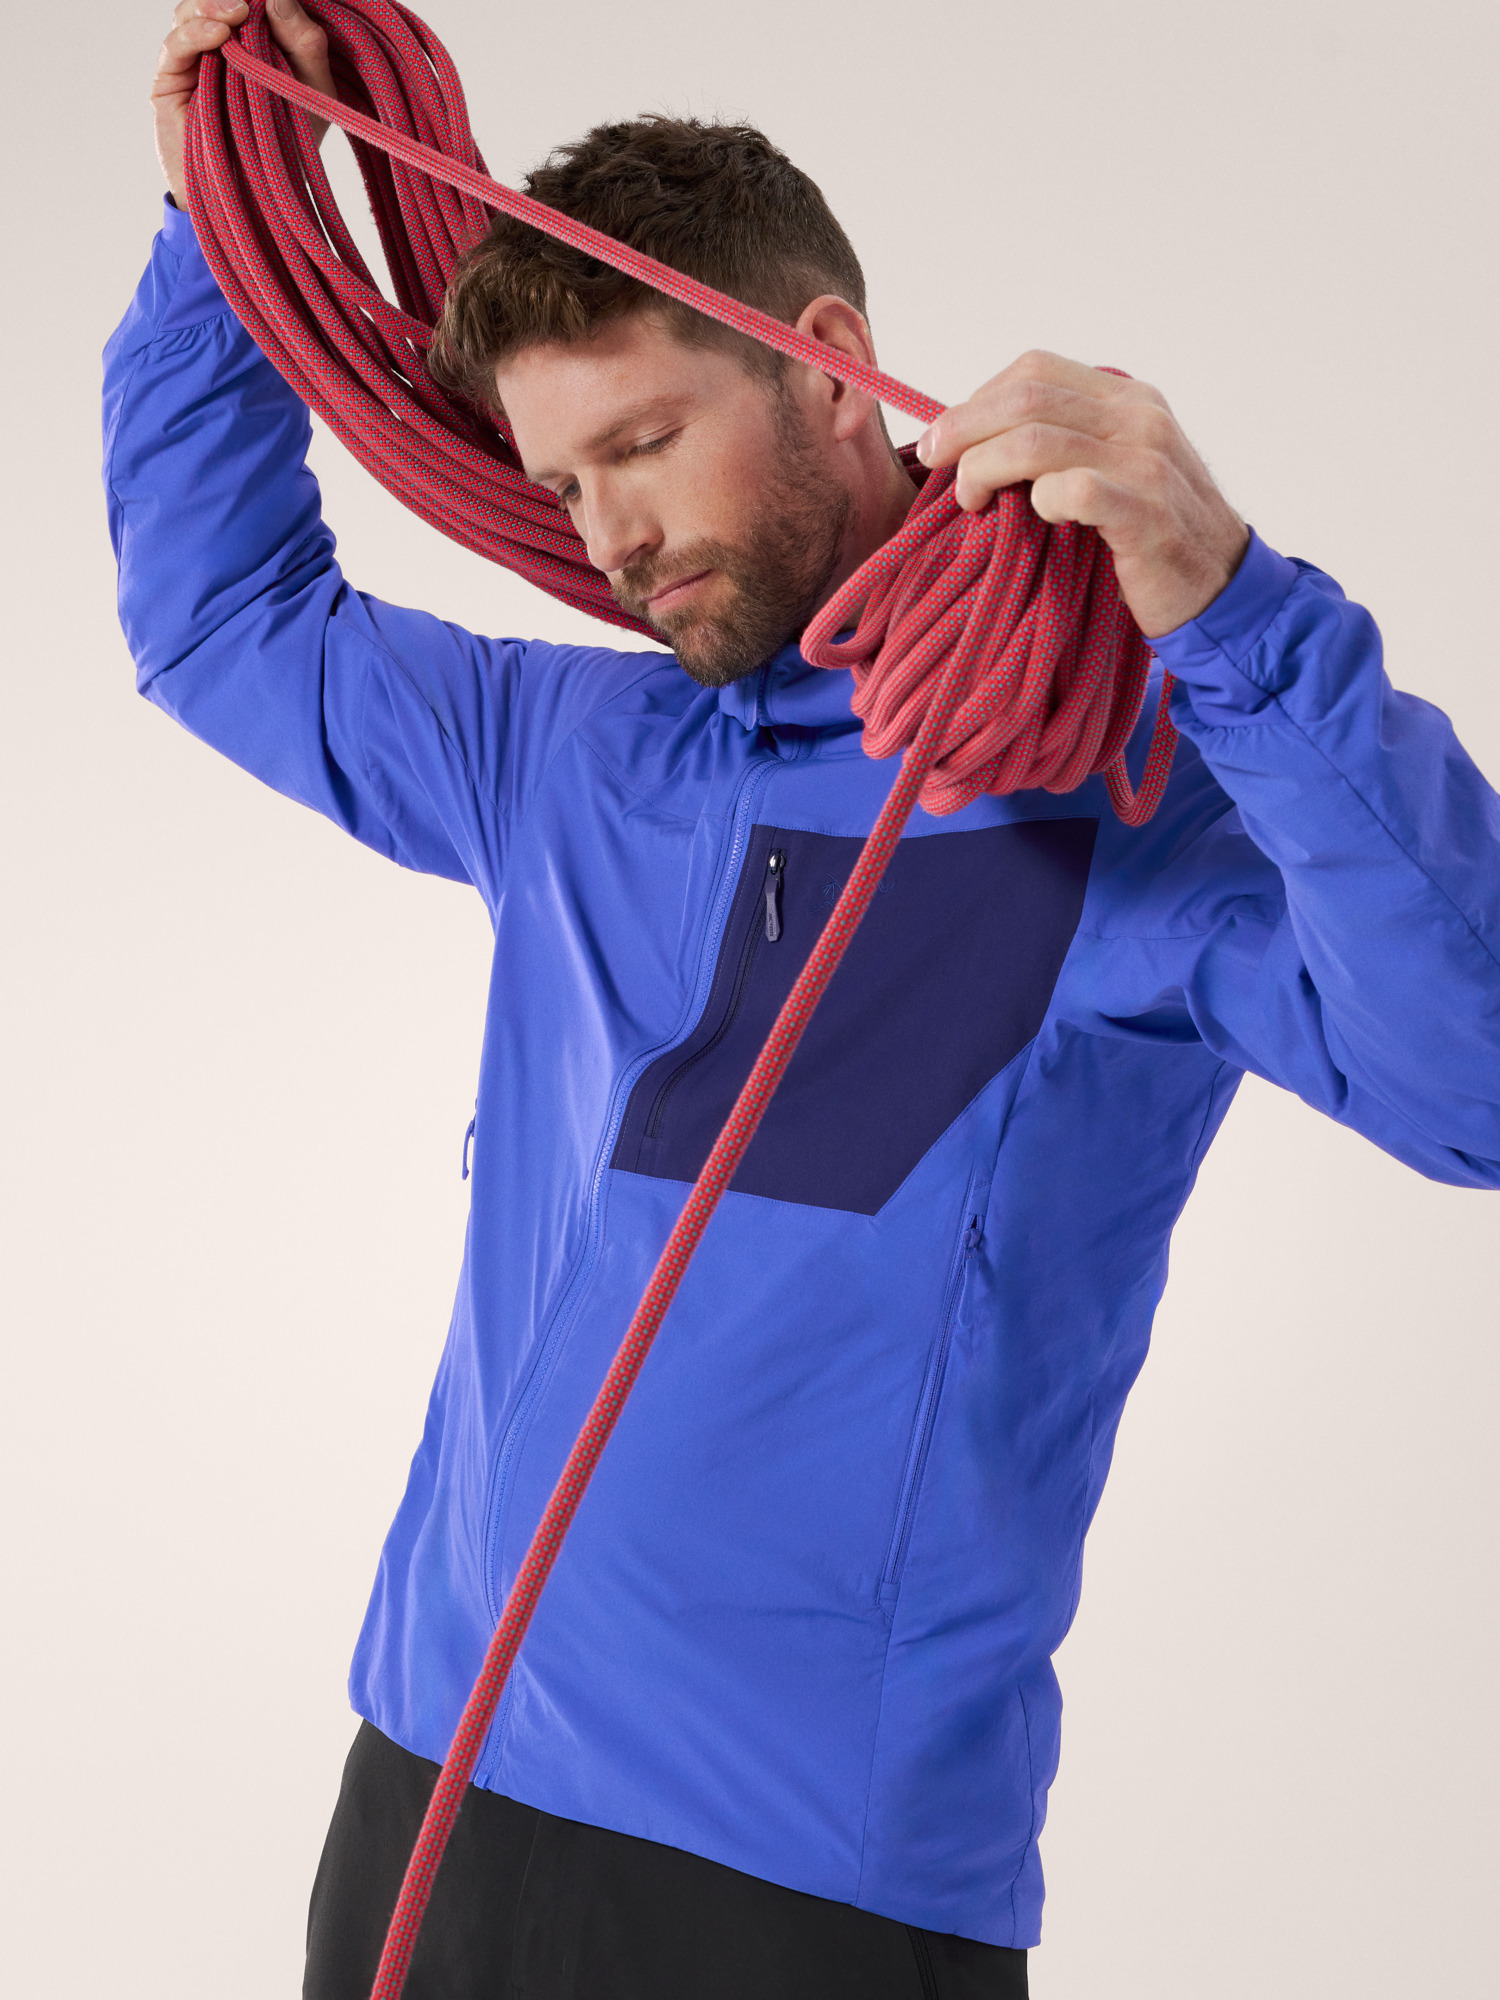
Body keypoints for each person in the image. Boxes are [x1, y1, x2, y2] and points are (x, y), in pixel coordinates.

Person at [117, 2, 1500, 1995]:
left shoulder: (1115, 797)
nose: (612, 535)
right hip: (432, 1775)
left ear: (834, 366)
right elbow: (221, 619)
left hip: (803, 1881)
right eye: (565, 478)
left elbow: (1471, 1083)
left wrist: (1236, 609)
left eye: (646, 444)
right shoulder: (572, 754)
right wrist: (211, 230)